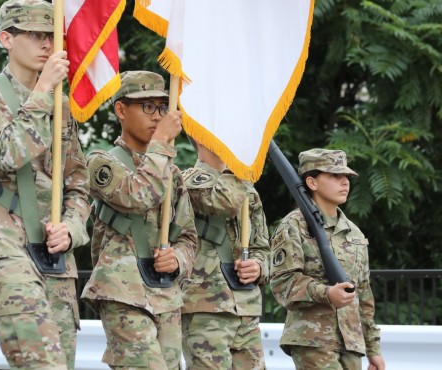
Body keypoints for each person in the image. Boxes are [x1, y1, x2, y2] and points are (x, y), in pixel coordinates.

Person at [0, 0, 90, 370]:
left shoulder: (60, 104)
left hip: (53, 249)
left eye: (51, 35)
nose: (47, 44)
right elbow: (7, 153)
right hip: (1, 237)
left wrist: (72, 228)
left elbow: (78, 181)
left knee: (63, 363)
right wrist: (44, 91)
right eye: (33, 34)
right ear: (6, 39)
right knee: (40, 362)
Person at [81, 70, 197, 370]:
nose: (157, 116)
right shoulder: (101, 162)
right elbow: (137, 195)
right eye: (147, 107)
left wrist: (178, 260)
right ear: (121, 110)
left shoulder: (171, 174)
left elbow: (187, 237)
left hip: (165, 295)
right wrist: (161, 142)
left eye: (162, 107)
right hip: (123, 291)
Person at [269, 148, 386, 370]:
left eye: (346, 177)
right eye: (335, 175)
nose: (345, 182)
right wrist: (326, 293)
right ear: (312, 182)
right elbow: (282, 283)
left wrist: (373, 349)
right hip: (313, 338)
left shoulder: (354, 233)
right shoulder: (293, 226)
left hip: (350, 343)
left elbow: (362, 294)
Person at [181, 141, 270, 369]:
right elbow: (222, 201)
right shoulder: (188, 180)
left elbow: (262, 247)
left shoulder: (246, 187)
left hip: (245, 307)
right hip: (206, 307)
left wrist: (258, 267)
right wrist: (238, 168)